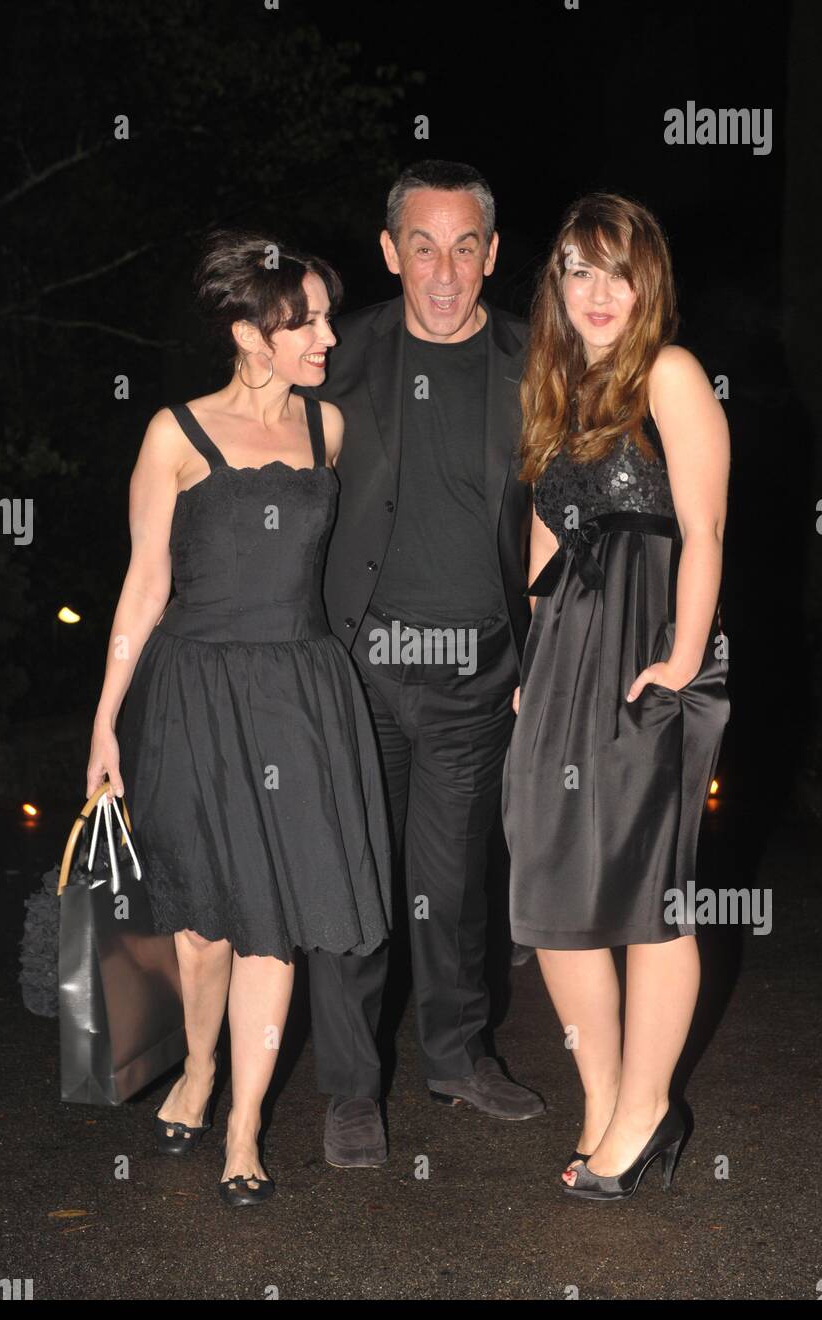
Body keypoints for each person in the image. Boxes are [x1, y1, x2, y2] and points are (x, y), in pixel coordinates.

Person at [87, 231, 392, 1206]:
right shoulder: (174, 434)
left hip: (299, 699)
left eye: (326, 317)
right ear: (247, 330)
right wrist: (103, 725)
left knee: (275, 925)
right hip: (192, 694)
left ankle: (244, 1124)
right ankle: (198, 1065)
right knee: (202, 926)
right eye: (304, 320)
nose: (326, 337)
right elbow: (142, 588)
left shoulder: (329, 430)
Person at [308, 159, 544, 1168]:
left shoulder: (536, 363)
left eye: (463, 247)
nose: (441, 271)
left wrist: (547, 654)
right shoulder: (335, 354)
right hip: (354, 668)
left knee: (451, 885)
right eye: (420, 244)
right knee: (352, 883)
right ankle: (351, 1087)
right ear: (389, 251)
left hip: (475, 673)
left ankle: (455, 1054)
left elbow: (562, 517)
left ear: (491, 254)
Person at [502, 192, 730, 1200]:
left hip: (646, 647)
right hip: (560, 658)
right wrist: (527, 669)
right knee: (550, 890)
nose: (596, 292)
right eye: (576, 270)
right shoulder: (555, 386)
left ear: (648, 282)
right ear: (556, 283)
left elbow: (705, 530)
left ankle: (647, 1110)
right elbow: (544, 545)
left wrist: (679, 660)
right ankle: (602, 1102)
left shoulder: (669, 375)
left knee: (647, 890)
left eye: (616, 270)